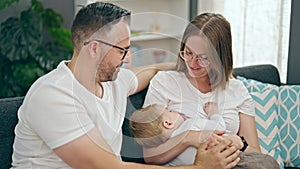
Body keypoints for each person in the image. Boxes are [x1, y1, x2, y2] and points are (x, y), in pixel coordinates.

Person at [11, 3, 241, 169]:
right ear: (94, 49)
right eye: (122, 50)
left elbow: (149, 70)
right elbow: (109, 167)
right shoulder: (53, 95)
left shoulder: (114, 82)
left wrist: (185, 64)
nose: (128, 58)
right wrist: (201, 168)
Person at [142, 13, 279, 168]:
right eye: (188, 53)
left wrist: (236, 143)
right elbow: (149, 155)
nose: (193, 63)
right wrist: (187, 137)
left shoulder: (236, 90)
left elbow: (255, 152)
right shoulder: (165, 82)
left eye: (203, 58)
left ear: (220, 57)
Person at [129, 103, 228, 149]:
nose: (175, 111)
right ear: (168, 123)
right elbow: (220, 128)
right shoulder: (190, 125)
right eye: (170, 111)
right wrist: (213, 112)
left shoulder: (170, 150)